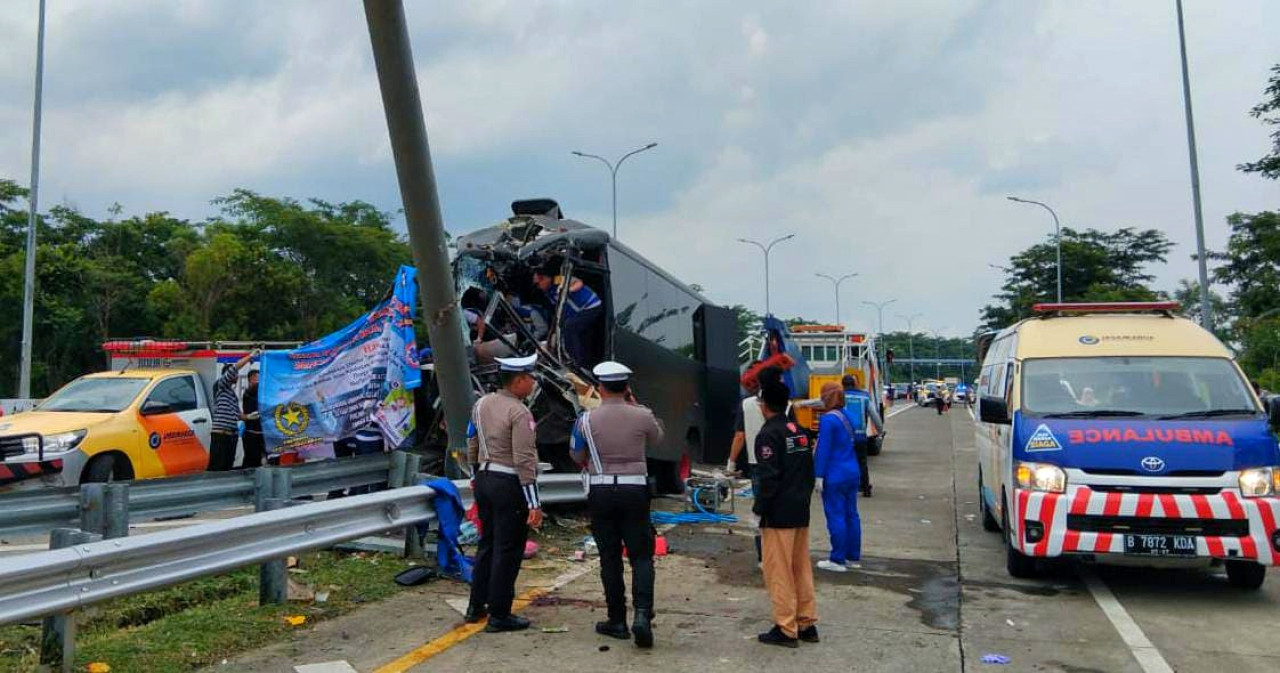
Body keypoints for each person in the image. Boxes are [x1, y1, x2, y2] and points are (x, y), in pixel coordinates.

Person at [570, 361, 665, 648]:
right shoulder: (642, 415)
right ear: (627, 387)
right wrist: (636, 405)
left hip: (601, 491)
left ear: (599, 387)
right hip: (635, 489)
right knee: (641, 555)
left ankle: (616, 620)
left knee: (609, 556)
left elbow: (576, 456)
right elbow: (658, 439)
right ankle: (643, 615)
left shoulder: (585, 420)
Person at [465, 354, 544, 633]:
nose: (534, 383)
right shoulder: (520, 412)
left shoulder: (481, 403)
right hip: (508, 482)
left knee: (487, 543)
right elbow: (525, 460)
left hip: (484, 478)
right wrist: (534, 502)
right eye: (531, 378)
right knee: (508, 550)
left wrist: (475, 477)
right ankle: (500, 613)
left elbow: (471, 441)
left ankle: (476, 605)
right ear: (519, 380)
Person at [753, 367, 818, 648]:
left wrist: (759, 509)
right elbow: (807, 471)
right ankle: (806, 622)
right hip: (800, 508)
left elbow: (769, 478)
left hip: (778, 513)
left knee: (778, 570)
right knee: (800, 567)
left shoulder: (769, 435)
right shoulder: (798, 431)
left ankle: (785, 627)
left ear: (763, 405)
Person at [813, 382, 862, 574]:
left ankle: (837, 558)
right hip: (852, 471)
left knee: (835, 515)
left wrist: (818, 475)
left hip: (834, 473)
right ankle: (852, 556)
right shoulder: (850, 416)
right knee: (852, 514)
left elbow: (823, 449)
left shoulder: (828, 420)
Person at [533, 265, 603, 368]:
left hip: (591, 306)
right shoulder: (547, 292)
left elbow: (578, 283)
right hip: (577, 312)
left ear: (545, 278)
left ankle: (576, 362)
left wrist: (568, 290)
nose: (538, 287)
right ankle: (584, 361)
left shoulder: (558, 280)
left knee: (569, 328)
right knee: (573, 331)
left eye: (538, 284)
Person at [210, 350, 256, 471]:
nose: (236, 376)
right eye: (234, 374)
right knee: (217, 466)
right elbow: (234, 368)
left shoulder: (232, 395)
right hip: (221, 434)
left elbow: (238, 415)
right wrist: (249, 357)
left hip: (231, 435)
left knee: (227, 466)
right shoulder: (220, 386)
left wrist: (249, 416)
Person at [842, 375, 883, 498]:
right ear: (855, 384)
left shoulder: (839, 396)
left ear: (842, 384)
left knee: (844, 461)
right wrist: (880, 431)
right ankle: (865, 488)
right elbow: (874, 415)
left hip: (844, 437)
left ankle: (846, 487)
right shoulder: (864, 397)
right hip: (860, 436)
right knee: (862, 462)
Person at [240, 366, 265, 469]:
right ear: (251, 380)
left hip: (262, 434)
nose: (260, 381)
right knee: (251, 460)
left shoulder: (262, 394)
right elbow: (254, 389)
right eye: (257, 378)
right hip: (251, 433)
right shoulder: (248, 393)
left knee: (262, 461)